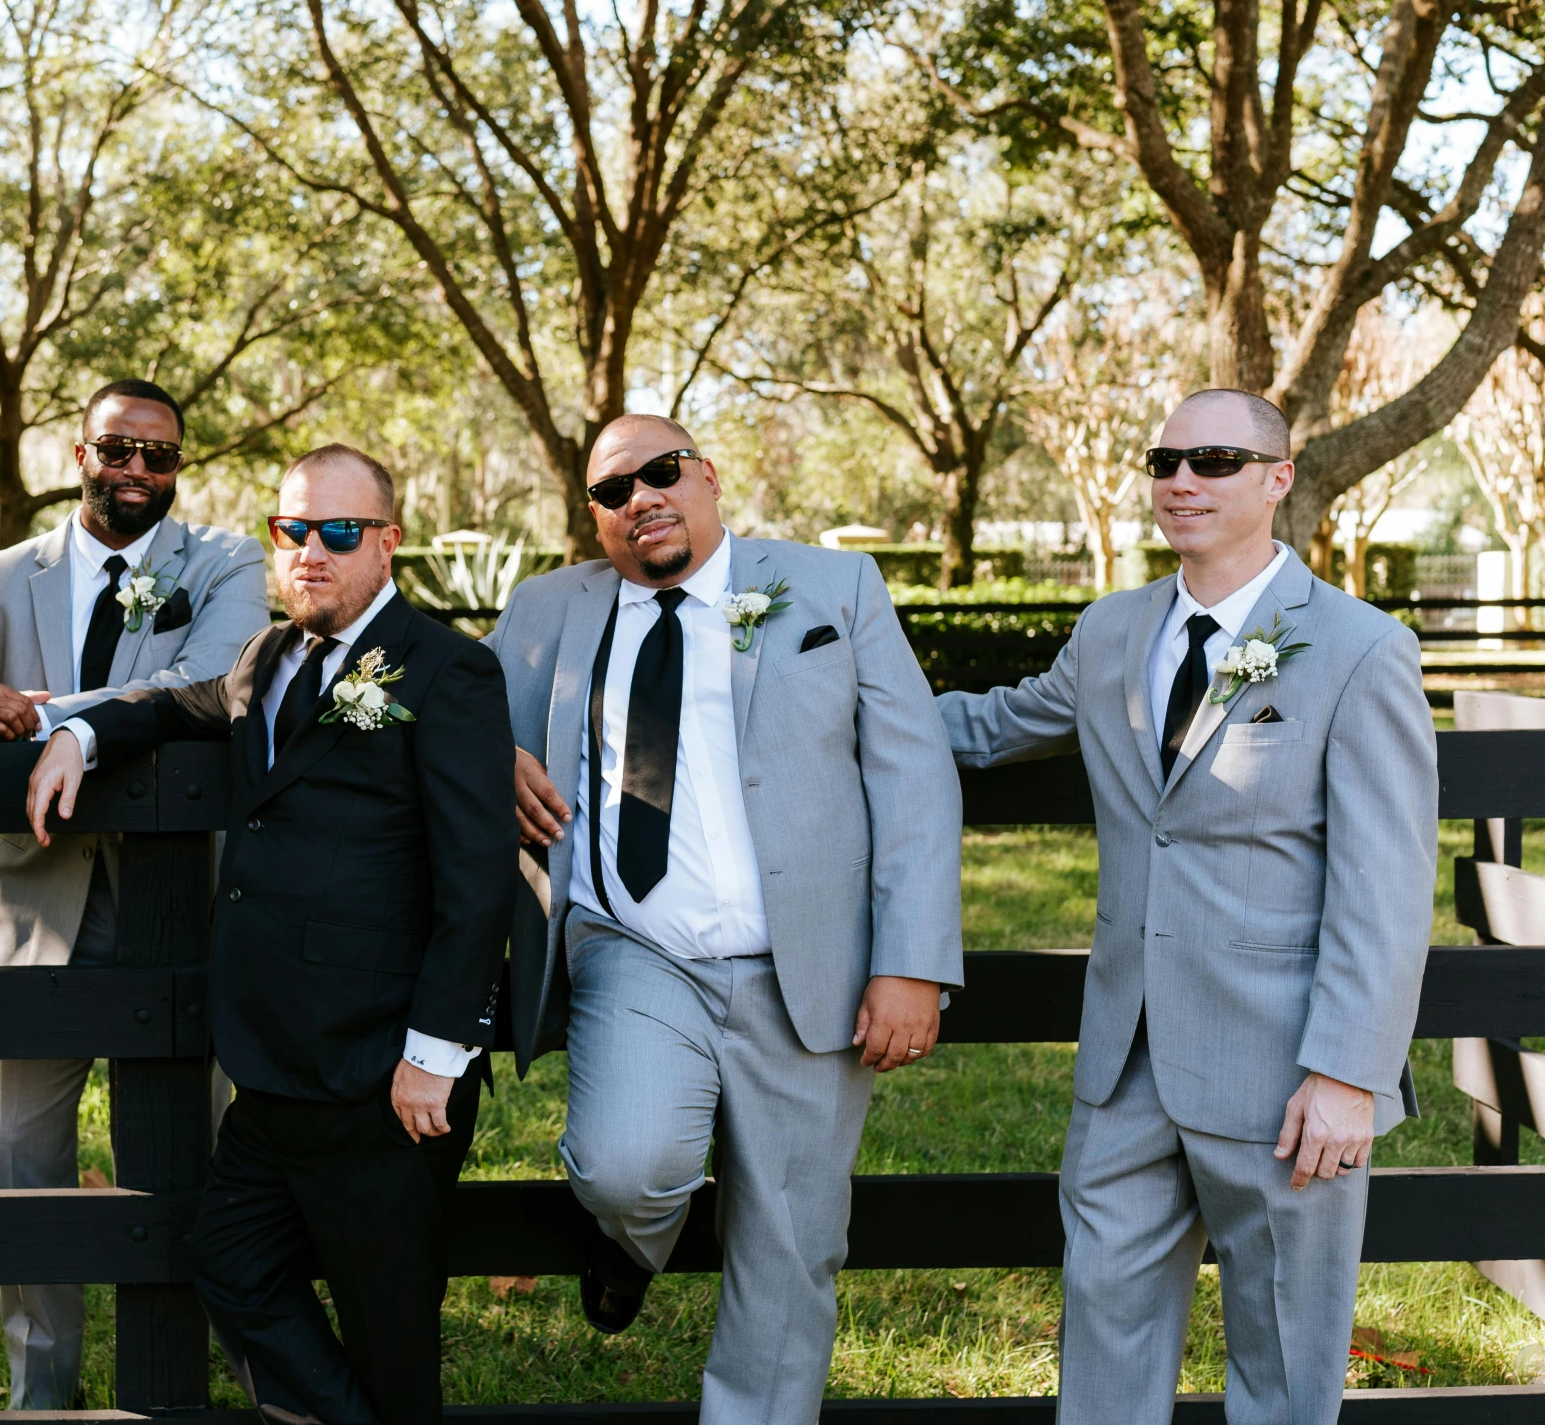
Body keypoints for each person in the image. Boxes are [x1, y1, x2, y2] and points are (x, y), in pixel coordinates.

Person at [937, 389, 1435, 1424]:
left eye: (1212, 459)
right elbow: (990, 726)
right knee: (1103, 1333)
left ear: (1277, 478)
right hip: (1122, 1062)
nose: (1181, 481)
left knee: (1283, 1362)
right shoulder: (1111, 628)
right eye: (1163, 461)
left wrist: (1346, 1070)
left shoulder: (1357, 647)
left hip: (1285, 1074)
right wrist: (812, 714)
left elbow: (1386, 885)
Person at [24, 445, 516, 1425]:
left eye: (339, 532)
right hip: (270, 1069)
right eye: (293, 530)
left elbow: (478, 877)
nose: (312, 552)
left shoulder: (448, 668)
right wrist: (82, 733)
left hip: (380, 1079)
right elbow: (175, 704)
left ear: (388, 542)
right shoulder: (265, 657)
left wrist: (436, 1052)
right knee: (228, 1261)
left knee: (390, 1336)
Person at [494, 414, 963, 1423]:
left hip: (810, 968)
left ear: (707, 477)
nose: (640, 499)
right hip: (635, 947)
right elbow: (436, 702)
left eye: (660, 473)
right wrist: (490, 756)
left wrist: (910, 962)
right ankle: (630, 1240)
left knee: (790, 1244)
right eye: (612, 490)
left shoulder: (832, 589)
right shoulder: (546, 608)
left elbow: (913, 773)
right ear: (594, 517)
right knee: (625, 1168)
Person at [0, 378, 265, 1408]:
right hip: (39, 896)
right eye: (117, 450)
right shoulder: (0, 577)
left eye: (160, 456)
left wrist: (62, 720)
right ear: (79, 452)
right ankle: (40, 1392)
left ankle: (244, 1373)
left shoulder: (225, 562)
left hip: (191, 900)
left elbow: (221, 674)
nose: (138, 472)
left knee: (222, 1150)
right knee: (21, 1155)